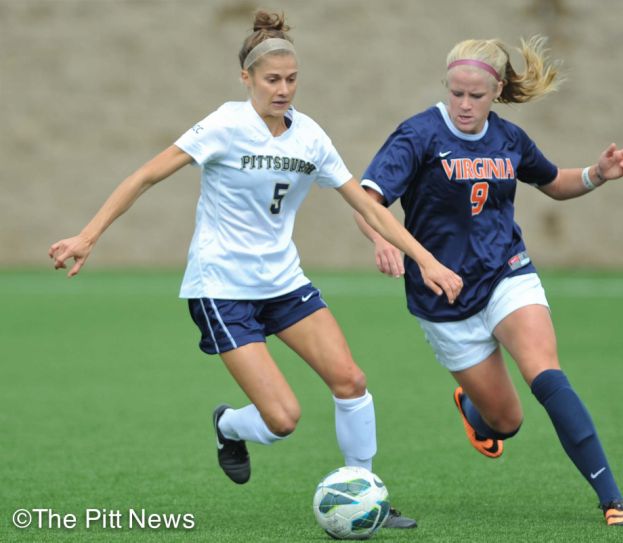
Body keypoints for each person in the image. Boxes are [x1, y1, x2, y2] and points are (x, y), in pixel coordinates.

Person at [48, 10, 464, 530]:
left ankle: (365, 493)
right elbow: (146, 176)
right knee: (283, 419)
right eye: (272, 80)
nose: (283, 89)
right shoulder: (224, 125)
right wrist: (88, 236)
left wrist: (423, 258)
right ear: (246, 79)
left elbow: (368, 205)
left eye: (291, 79)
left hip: (285, 283)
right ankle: (229, 424)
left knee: (351, 380)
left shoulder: (310, 136)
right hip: (222, 289)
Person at [354, 36, 623, 527]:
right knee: (506, 422)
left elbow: (552, 182)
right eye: (456, 93)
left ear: (498, 91)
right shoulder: (418, 135)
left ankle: (612, 498)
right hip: (442, 297)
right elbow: (367, 201)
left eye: (476, 96)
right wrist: (387, 243)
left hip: (507, 273)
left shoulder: (509, 139)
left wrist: (596, 174)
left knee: (546, 374)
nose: (464, 105)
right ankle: (474, 409)